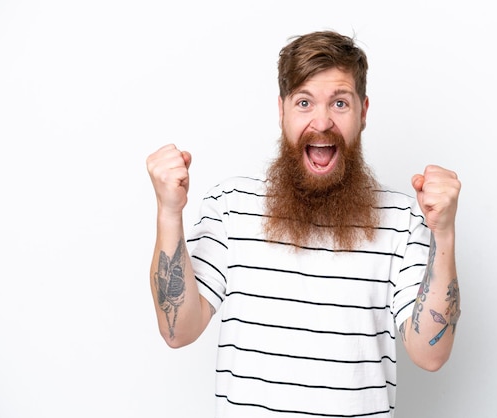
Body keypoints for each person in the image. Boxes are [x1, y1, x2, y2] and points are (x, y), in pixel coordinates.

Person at [146, 30, 461, 418]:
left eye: (340, 103)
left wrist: (443, 232)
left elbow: (430, 354)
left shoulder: (402, 220)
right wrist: (168, 212)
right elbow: (178, 331)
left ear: (363, 112)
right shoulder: (230, 208)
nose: (322, 121)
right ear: (282, 111)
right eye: (304, 102)